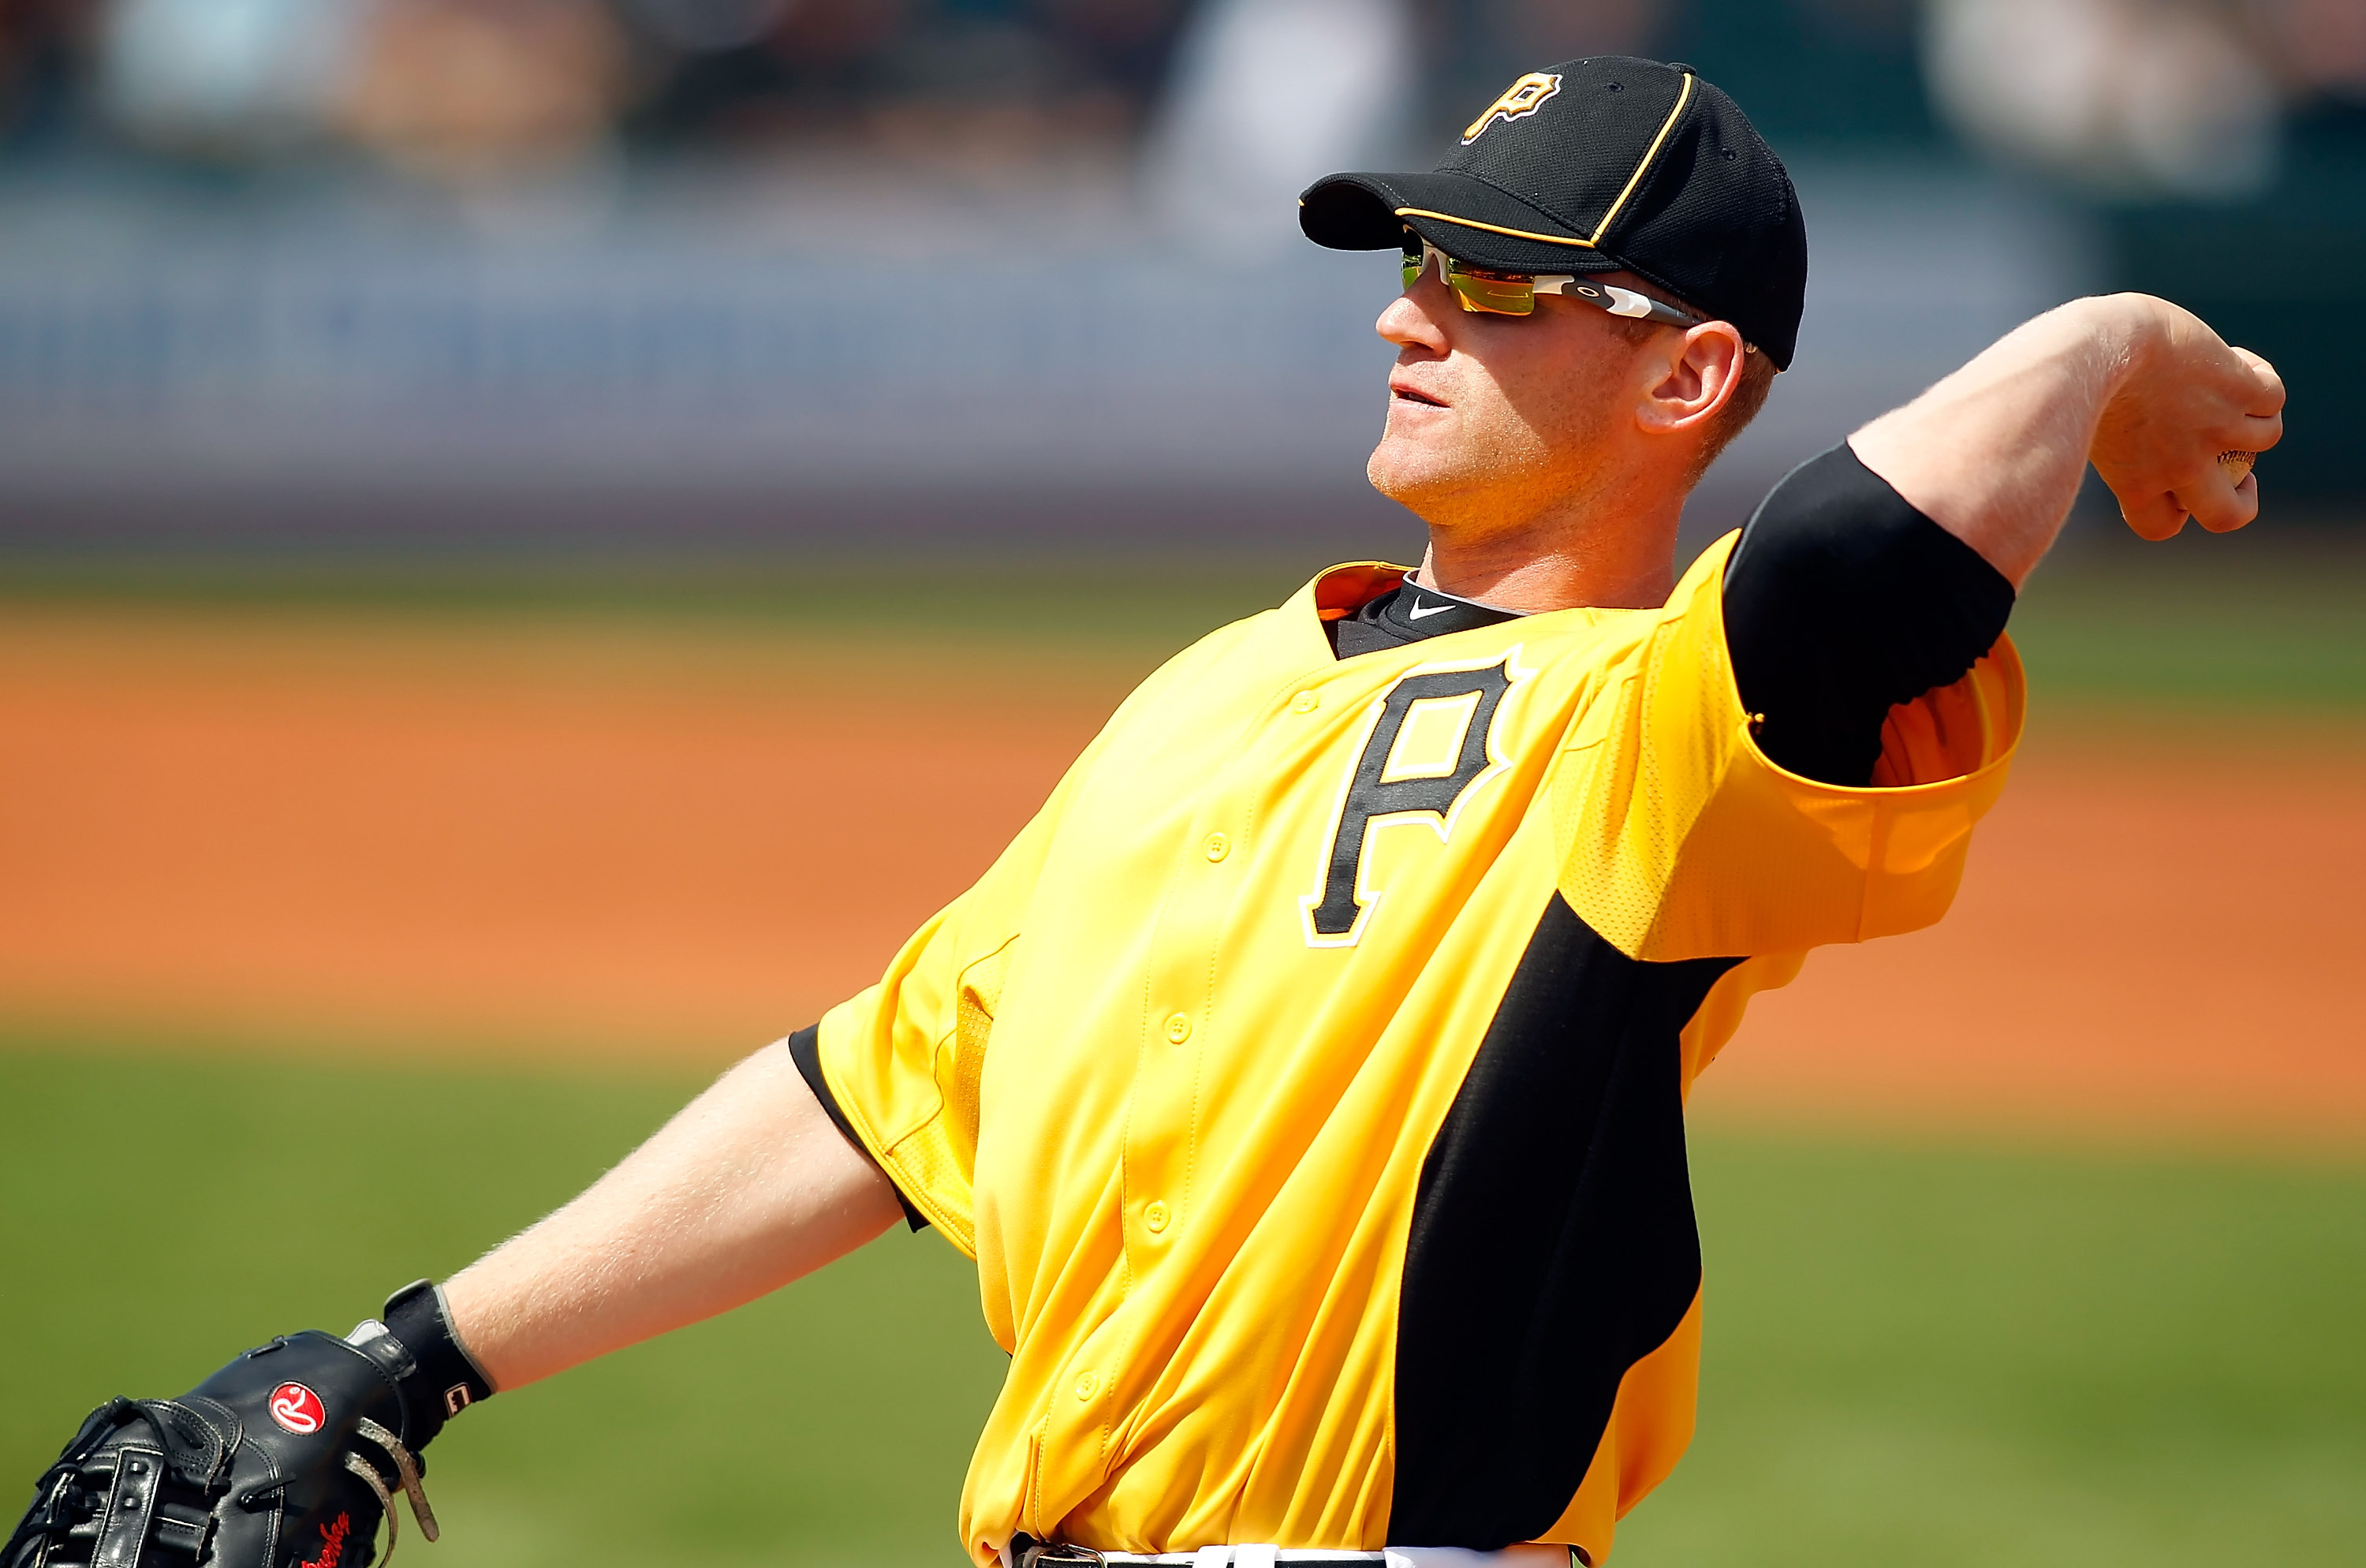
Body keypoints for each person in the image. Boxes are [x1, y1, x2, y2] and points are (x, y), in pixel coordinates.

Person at [9, 56, 2282, 1568]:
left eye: (1498, 279)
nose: (1416, 312)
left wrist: (2095, 344)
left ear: (1688, 377)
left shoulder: (1660, 735)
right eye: (1413, 260)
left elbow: (1852, 567)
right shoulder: (1219, 681)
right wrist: (402, 1364)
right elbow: (879, 1089)